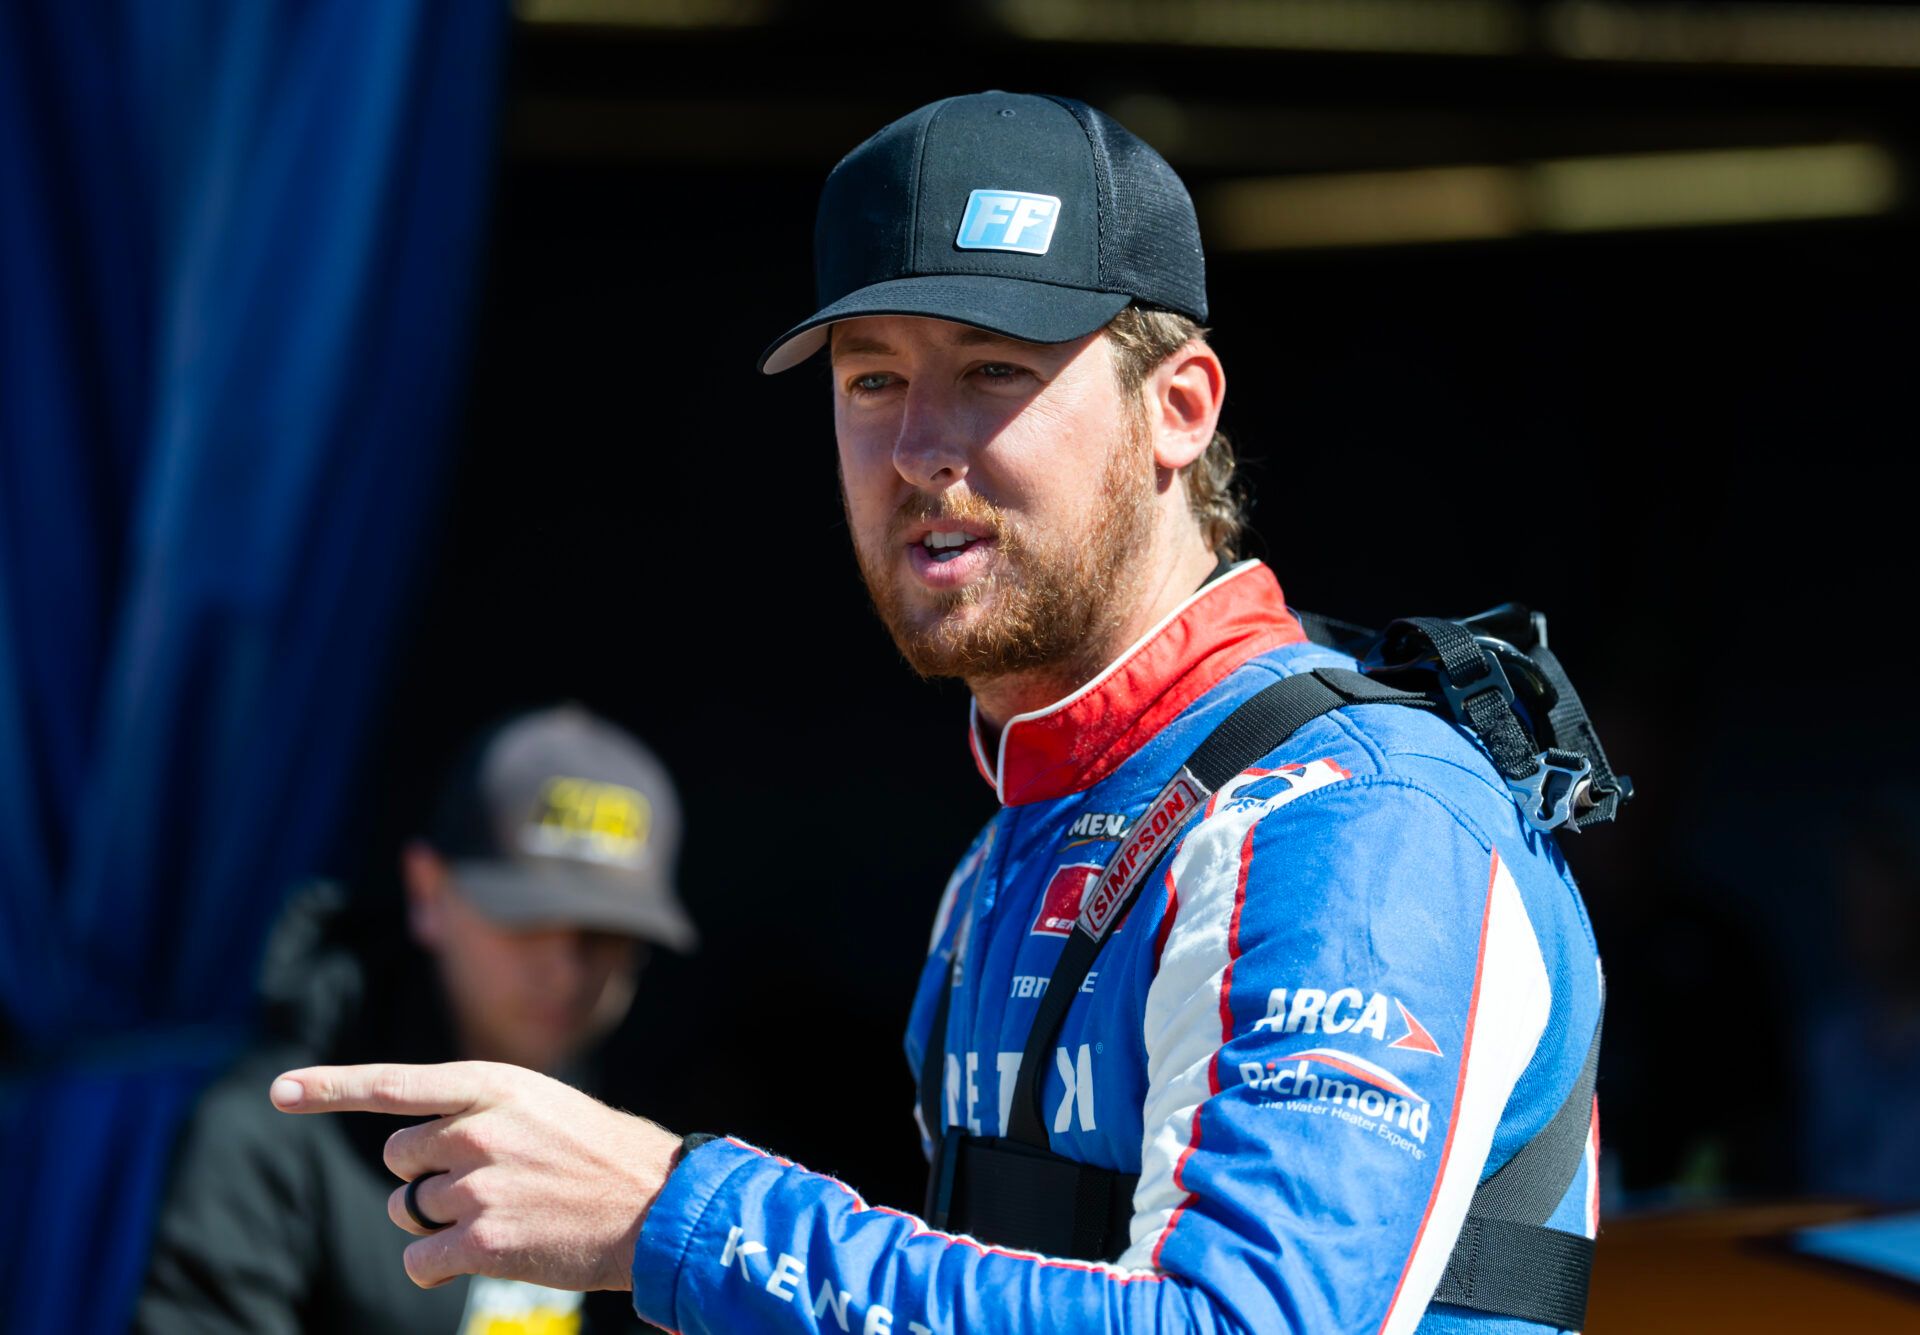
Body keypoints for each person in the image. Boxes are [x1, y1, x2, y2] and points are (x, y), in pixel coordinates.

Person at [270, 92, 1607, 1334]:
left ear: (1180, 408)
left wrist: (677, 1215)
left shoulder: (1348, 818)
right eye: (872, 380)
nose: (919, 450)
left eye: (993, 370)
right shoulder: (1023, 837)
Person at [140, 705, 696, 1334]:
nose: (567, 969)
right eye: (528, 920)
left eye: (607, 932)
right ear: (428, 891)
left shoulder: (660, 1137)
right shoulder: (273, 1132)